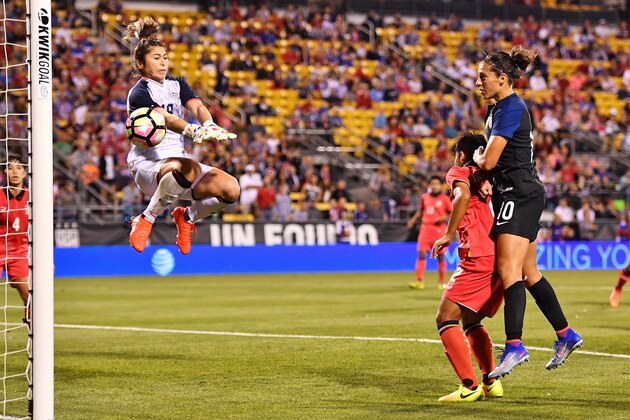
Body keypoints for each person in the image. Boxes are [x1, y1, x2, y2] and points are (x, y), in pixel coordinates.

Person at [472, 46, 582, 378]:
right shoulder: (498, 108)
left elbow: (489, 160)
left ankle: (515, 346)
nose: (478, 82)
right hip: (521, 192)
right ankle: (565, 335)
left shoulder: (509, 108)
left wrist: (478, 158)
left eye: (483, 77)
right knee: (529, 273)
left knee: (509, 271)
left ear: (502, 79)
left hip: (516, 194)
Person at [124, 17, 240, 255]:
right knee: (189, 167)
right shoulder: (139, 93)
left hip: (180, 169)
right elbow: (165, 119)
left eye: (165, 57)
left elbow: (196, 106)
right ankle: (145, 218)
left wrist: (209, 124)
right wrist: (193, 130)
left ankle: (187, 217)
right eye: (156, 58)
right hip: (149, 166)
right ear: (141, 63)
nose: (163, 62)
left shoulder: (177, 84)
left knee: (231, 188)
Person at [431, 132, 503, 402]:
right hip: (500, 255)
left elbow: (461, 197)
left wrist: (448, 234)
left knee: (445, 317)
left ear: (462, 154)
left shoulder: (458, 171)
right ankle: (490, 381)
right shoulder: (491, 176)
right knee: (472, 319)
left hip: (478, 255)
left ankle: (469, 385)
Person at [407, 175, 452, 290]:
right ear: (430, 185)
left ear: (441, 186)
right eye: (432, 184)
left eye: (436, 184)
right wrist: (412, 220)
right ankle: (419, 281)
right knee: (421, 254)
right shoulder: (425, 197)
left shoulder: (445, 199)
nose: (434, 186)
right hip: (425, 229)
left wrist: (444, 218)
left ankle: (441, 282)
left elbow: (451, 213)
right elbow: (421, 210)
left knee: (441, 256)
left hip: (439, 231)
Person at [0, 153, 30, 321]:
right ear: (4, 172)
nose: (15, 171)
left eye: (19, 167)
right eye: (10, 167)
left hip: (19, 253)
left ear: (25, 172)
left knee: (31, 298)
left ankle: (34, 341)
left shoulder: (32, 197)